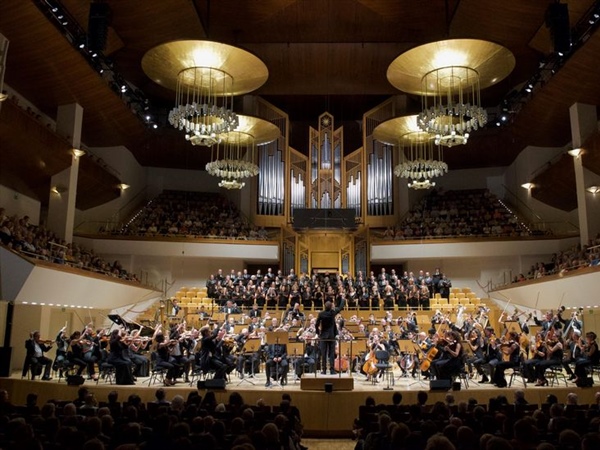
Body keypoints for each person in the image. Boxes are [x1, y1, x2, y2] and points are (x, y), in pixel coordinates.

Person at [316, 295, 346, 374]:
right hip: (331, 335)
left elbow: (316, 324)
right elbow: (340, 307)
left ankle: (324, 370)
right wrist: (343, 299)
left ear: (324, 307)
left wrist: (318, 333)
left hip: (323, 336)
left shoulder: (321, 314)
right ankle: (332, 370)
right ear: (330, 307)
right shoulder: (333, 313)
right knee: (332, 353)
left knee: (324, 353)